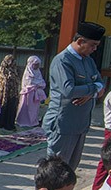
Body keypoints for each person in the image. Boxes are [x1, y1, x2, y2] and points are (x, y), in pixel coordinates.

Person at [43, 22, 106, 170]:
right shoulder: (62, 61)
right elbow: (69, 90)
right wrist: (93, 90)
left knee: (70, 170)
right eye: (93, 45)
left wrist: (89, 93)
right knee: (56, 171)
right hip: (63, 124)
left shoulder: (88, 61)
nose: (95, 49)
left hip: (80, 125)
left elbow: (101, 85)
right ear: (80, 41)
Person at [16, 56, 47, 127]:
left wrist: (37, 85)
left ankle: (33, 121)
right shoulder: (28, 73)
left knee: (34, 110)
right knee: (26, 108)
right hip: (28, 94)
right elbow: (28, 84)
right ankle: (24, 122)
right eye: (35, 64)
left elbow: (42, 83)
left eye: (38, 65)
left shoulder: (38, 72)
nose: (37, 66)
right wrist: (36, 85)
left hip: (35, 95)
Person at [0, 55, 21, 131]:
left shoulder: (15, 70)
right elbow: (1, 80)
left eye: (12, 61)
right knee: (3, 108)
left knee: (11, 108)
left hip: (13, 93)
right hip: (3, 94)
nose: (11, 63)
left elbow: (17, 80)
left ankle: (9, 124)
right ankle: (0, 123)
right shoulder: (2, 70)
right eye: (9, 61)